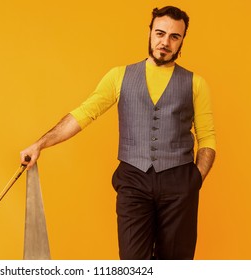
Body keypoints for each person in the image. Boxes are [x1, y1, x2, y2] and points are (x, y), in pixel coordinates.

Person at [20, 6, 216, 260]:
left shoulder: (195, 83)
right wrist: (40, 144)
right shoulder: (119, 76)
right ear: (149, 33)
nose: (165, 42)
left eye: (174, 37)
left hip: (179, 181)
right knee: (132, 264)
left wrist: (194, 180)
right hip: (133, 180)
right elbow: (83, 114)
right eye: (160, 33)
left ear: (181, 41)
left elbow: (207, 136)